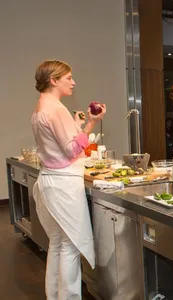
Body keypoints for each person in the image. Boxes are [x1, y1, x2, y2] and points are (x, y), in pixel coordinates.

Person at [31, 60, 106, 299]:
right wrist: (92, 123)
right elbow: (71, 150)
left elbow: (58, 142)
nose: (73, 82)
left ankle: (55, 295)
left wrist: (76, 125)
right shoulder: (56, 108)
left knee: (57, 243)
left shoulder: (41, 107)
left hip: (49, 181)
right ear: (54, 80)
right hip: (63, 184)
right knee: (71, 246)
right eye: (69, 78)